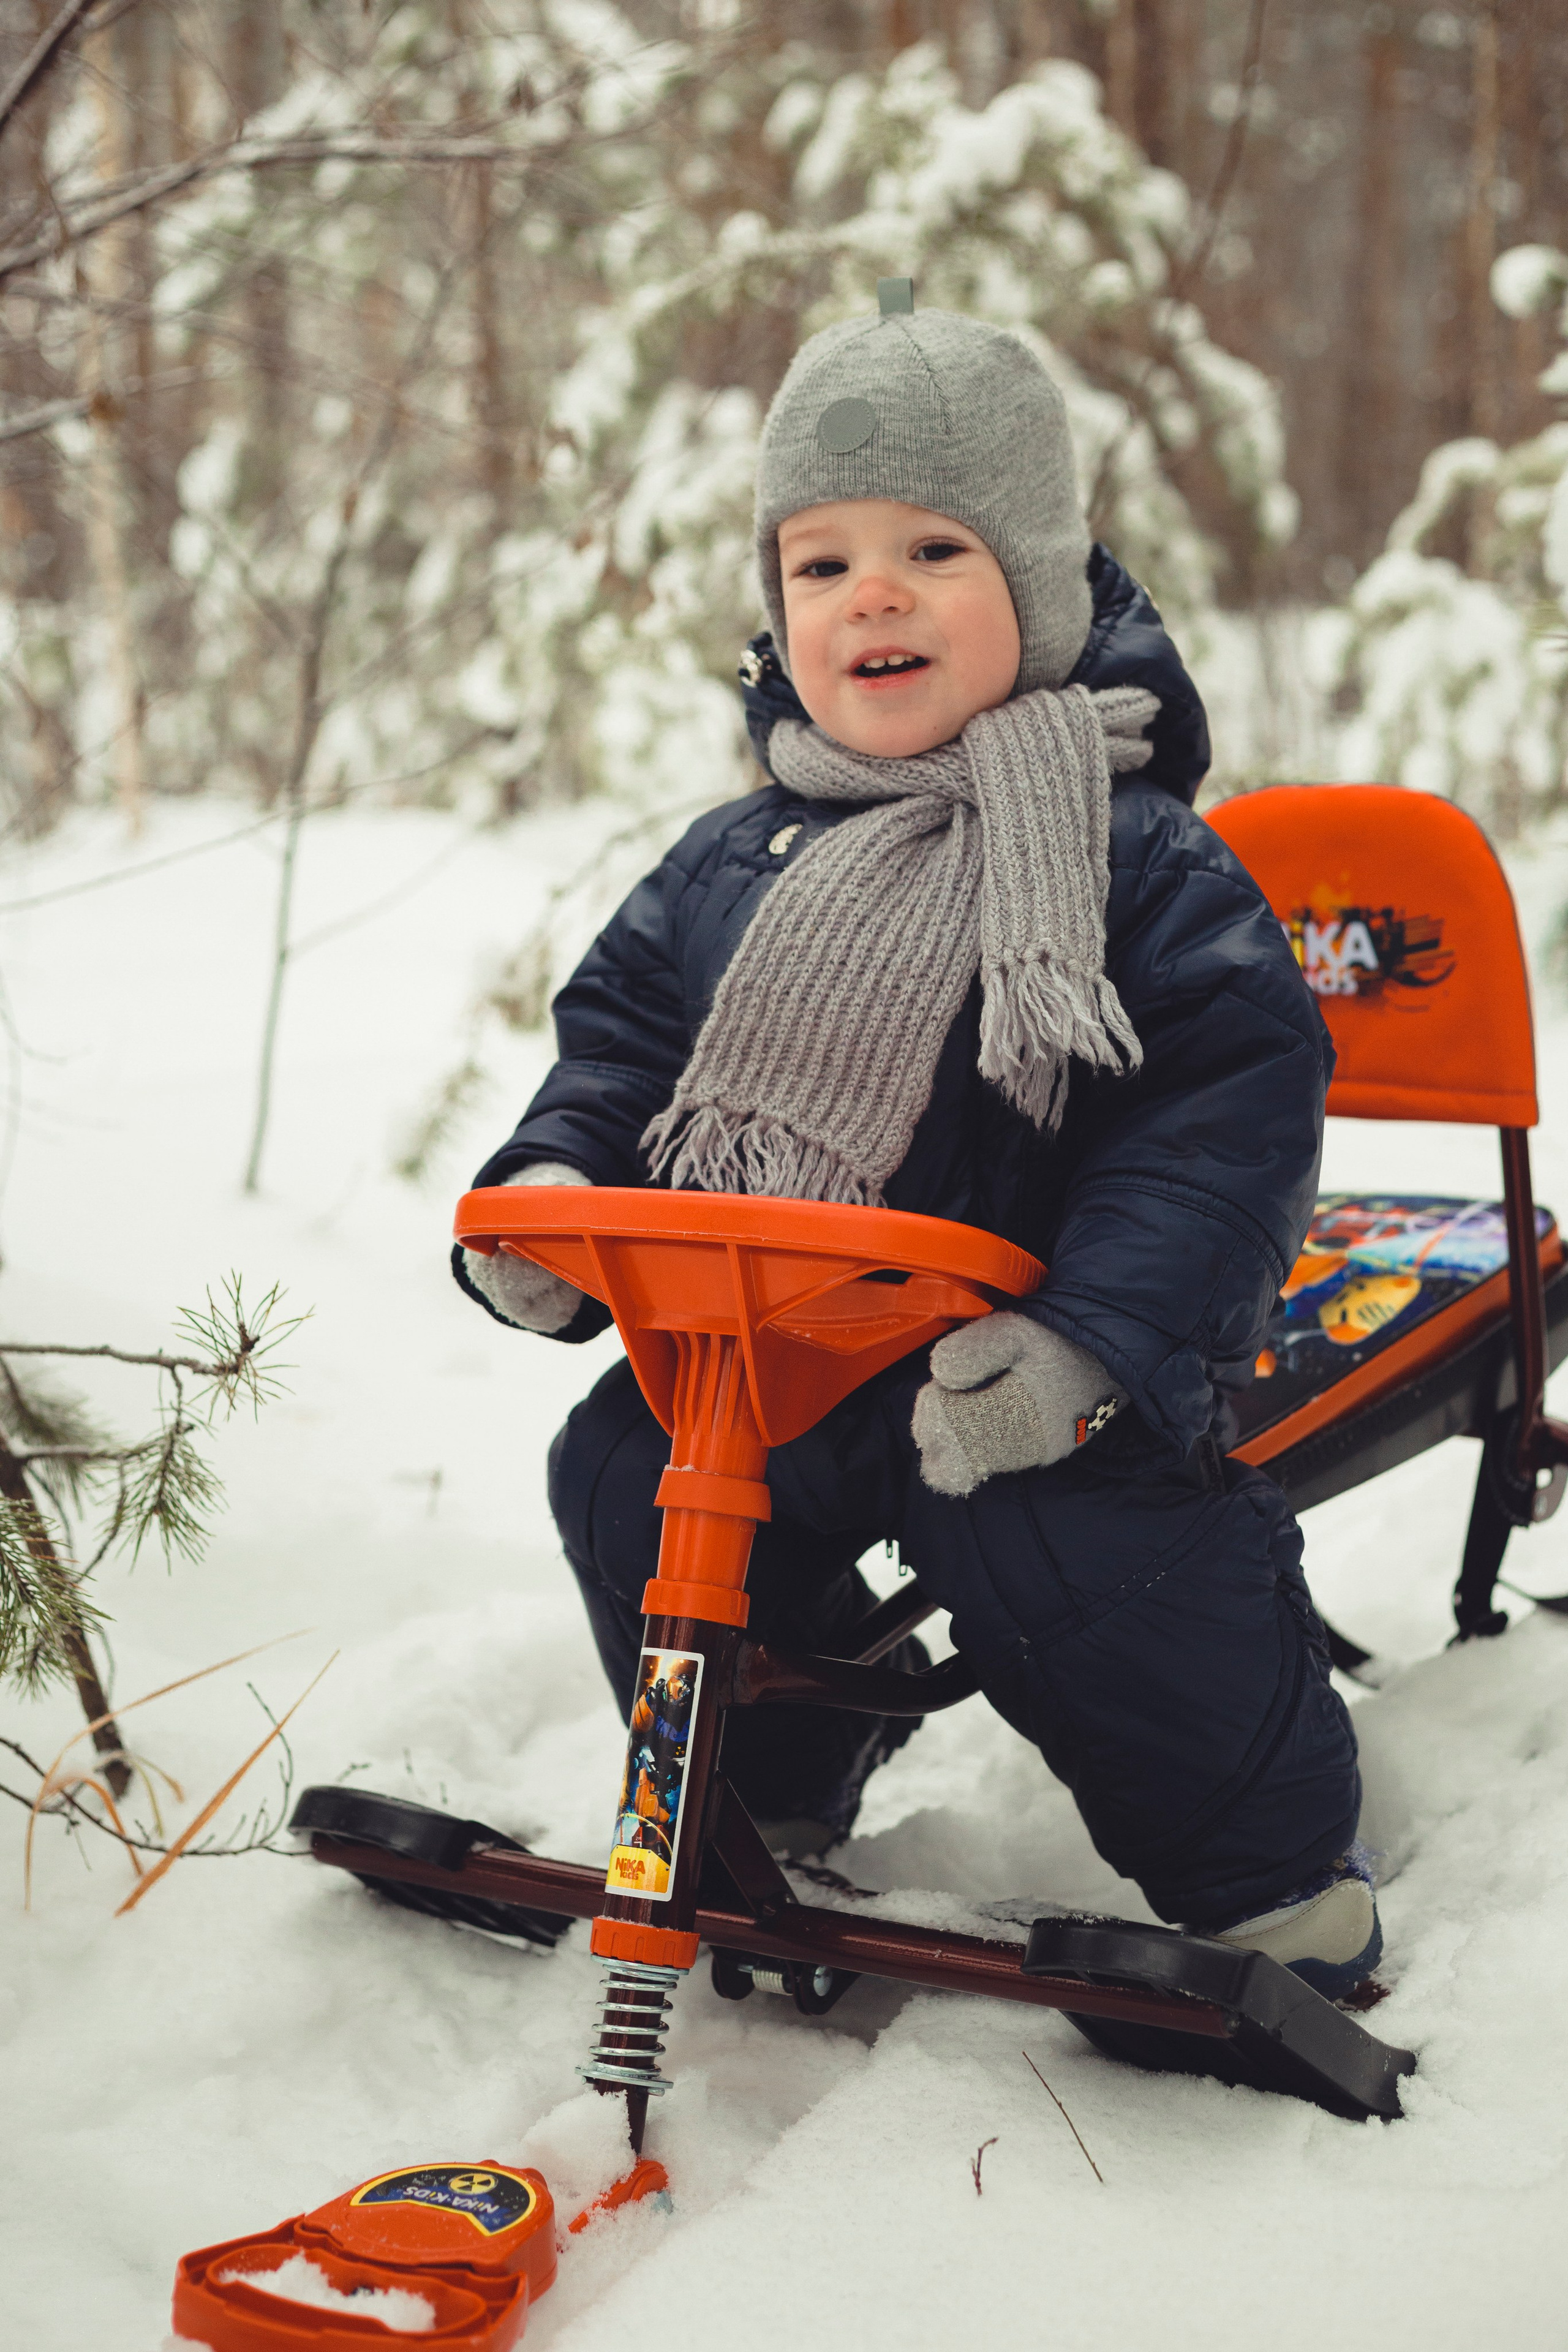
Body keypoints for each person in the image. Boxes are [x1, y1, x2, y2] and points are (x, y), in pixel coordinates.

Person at [453, 295, 1379, 2001]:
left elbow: (1214, 1127)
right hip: (782, 1347)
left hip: (1025, 1376)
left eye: (932, 548)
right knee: (624, 1475)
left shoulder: (1140, 861)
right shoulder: (733, 860)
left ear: (1032, 585)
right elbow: (626, 1050)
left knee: (1080, 1556)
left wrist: (1086, 1345)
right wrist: (561, 1194)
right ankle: (779, 1788)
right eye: (820, 564)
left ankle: (1271, 1871)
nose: (869, 594)